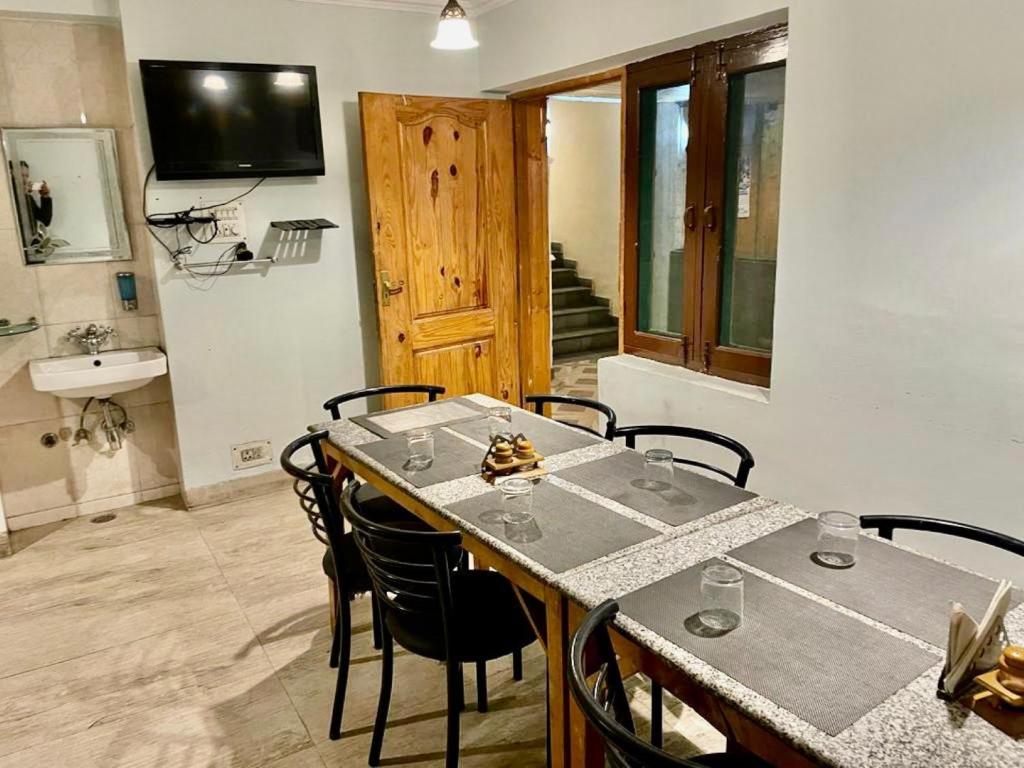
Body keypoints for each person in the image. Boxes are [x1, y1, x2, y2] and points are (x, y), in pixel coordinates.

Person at [18, 160, 53, 228]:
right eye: (21, 175)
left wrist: (45, 196)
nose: (25, 180)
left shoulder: (28, 198)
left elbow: (45, 221)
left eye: (26, 176)